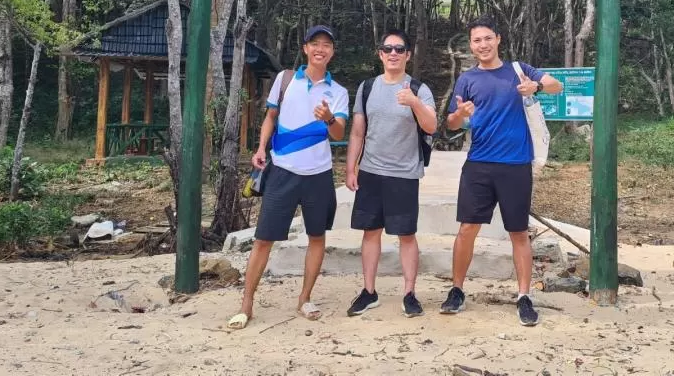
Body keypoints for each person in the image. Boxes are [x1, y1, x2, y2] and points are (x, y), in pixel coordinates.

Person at [441, 17, 562, 326]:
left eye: (487, 38)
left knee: (518, 232)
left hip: (516, 165)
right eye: (476, 40)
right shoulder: (467, 79)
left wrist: (535, 86)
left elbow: (556, 85)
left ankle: (524, 296)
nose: (482, 44)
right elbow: (453, 124)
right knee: (467, 228)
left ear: (498, 39)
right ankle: (456, 290)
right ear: (471, 45)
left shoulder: (518, 70)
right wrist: (460, 114)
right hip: (479, 164)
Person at [226, 25, 349, 330]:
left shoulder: (339, 92)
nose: (321, 49)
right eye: (315, 44)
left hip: (318, 174)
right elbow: (270, 117)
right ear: (306, 48)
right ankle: (247, 303)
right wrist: (260, 148)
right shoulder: (285, 80)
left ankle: (304, 298)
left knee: (317, 236)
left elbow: (339, 133)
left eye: (327, 45)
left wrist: (329, 118)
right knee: (264, 238)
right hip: (282, 170)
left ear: (332, 52)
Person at [344, 29, 437, 318]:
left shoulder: (419, 89)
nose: (393, 53)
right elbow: (358, 131)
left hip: (404, 174)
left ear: (408, 55)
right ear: (380, 54)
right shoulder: (367, 87)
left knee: (406, 234)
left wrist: (414, 103)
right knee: (371, 232)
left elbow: (432, 126)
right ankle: (369, 291)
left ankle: (409, 293)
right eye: (388, 49)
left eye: (399, 49)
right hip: (371, 171)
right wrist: (351, 167)